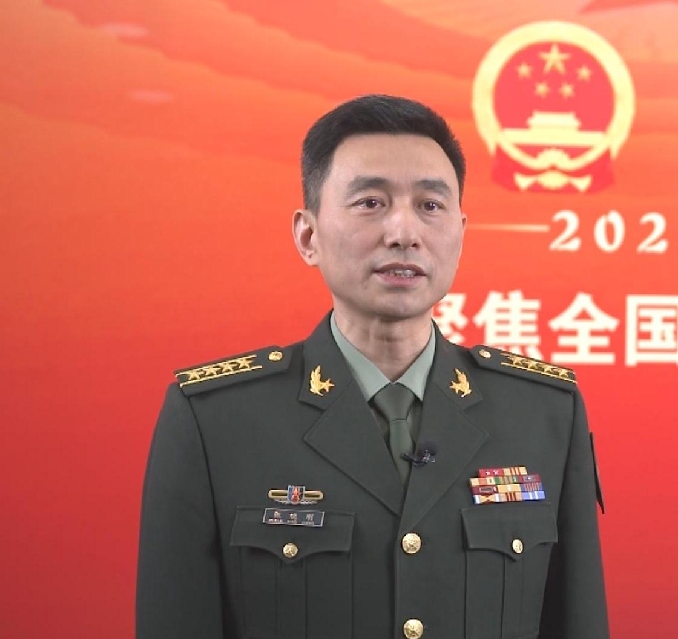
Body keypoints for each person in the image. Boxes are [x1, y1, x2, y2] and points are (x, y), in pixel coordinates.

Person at [136, 94, 609, 639]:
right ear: (308, 236)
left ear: (460, 234)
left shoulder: (543, 412)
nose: (404, 232)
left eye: (430, 205)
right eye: (370, 203)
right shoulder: (214, 419)